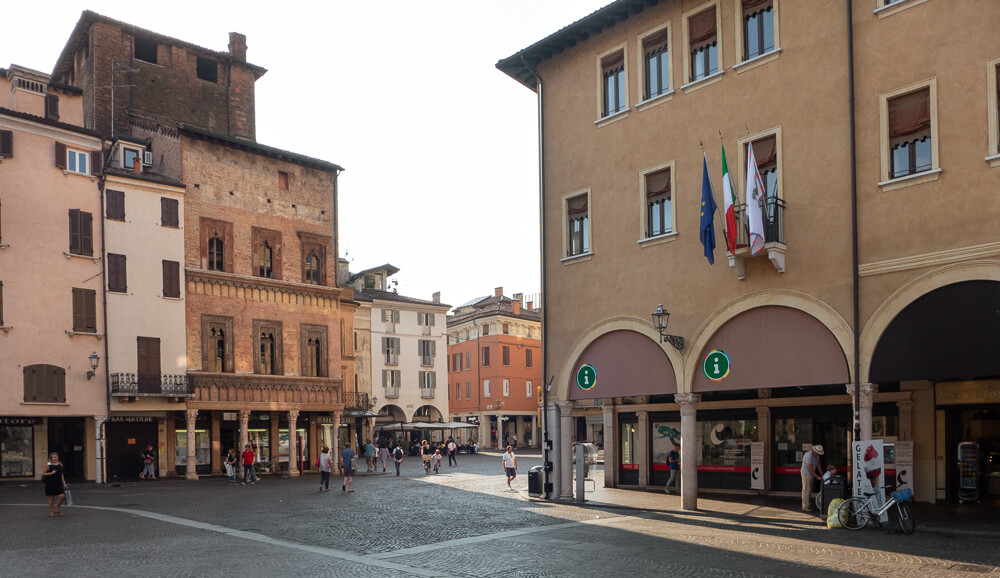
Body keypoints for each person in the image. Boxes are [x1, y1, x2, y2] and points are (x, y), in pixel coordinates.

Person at [41, 452, 67, 517]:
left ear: (58, 458)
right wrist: (51, 473)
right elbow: (43, 473)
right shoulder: (48, 465)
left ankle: (57, 509)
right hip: (50, 483)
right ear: (51, 458)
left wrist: (64, 482)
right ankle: (51, 512)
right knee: (51, 498)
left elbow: (61, 474)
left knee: (62, 496)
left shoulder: (60, 464)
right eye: (53, 457)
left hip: (58, 483)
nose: (54, 458)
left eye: (56, 457)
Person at [800, 444, 824, 511]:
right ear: (815, 451)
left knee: (809, 489)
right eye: (818, 453)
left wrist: (822, 475)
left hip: (811, 473)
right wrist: (817, 477)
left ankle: (808, 504)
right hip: (806, 473)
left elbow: (818, 464)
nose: (818, 454)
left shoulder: (816, 455)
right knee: (806, 489)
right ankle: (805, 506)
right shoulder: (809, 455)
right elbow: (809, 468)